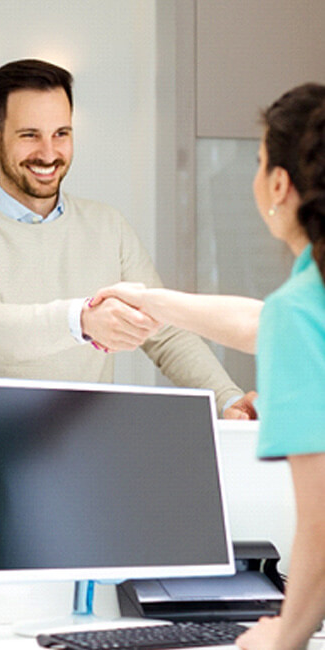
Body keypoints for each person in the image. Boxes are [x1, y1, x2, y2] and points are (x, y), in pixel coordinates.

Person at [92, 82, 325, 650]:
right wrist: (155, 302)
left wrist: (285, 633)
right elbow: (262, 322)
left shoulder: (300, 312)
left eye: (258, 161)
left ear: (277, 184)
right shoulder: (304, 300)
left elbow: (321, 518)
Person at [0, 58, 254, 418]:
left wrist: (227, 399)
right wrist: (82, 320)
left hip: (86, 439)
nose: (48, 154)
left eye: (61, 134)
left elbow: (166, 333)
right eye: (30, 135)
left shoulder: (108, 226)